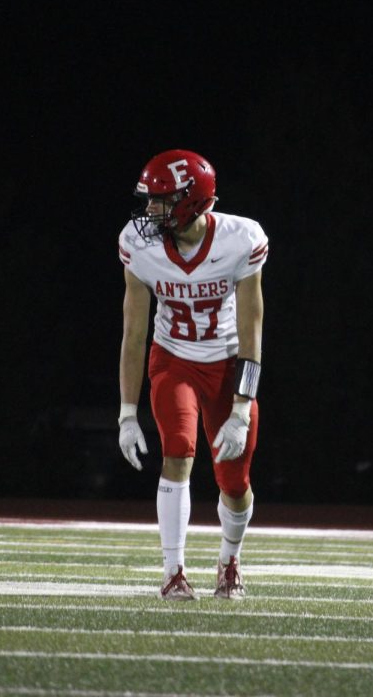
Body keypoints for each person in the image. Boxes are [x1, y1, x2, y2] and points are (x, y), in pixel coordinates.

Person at [117, 149, 268, 601]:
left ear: (189, 202)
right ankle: (173, 571)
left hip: (225, 364)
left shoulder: (240, 240)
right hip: (174, 359)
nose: (149, 211)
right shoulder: (139, 245)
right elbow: (134, 332)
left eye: (159, 201)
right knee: (177, 453)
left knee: (235, 483)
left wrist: (242, 406)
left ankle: (228, 559)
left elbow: (251, 331)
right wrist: (127, 411)